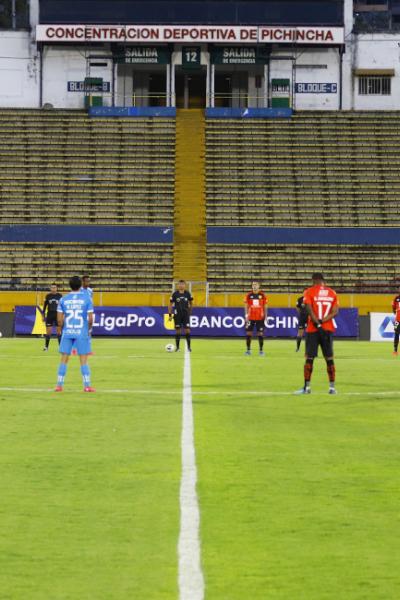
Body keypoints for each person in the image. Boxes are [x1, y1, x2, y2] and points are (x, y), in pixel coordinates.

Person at [295, 273, 339, 395]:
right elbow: (335, 312)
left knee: (309, 358)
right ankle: (332, 388)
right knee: (329, 358)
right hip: (328, 329)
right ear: (323, 280)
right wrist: (323, 321)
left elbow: (308, 309)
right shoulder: (332, 293)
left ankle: (307, 388)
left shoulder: (309, 291)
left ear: (314, 280)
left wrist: (317, 323)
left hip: (312, 329)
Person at [55, 275, 95, 392]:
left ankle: (59, 385)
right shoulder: (87, 299)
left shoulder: (63, 299)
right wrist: (88, 330)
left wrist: (61, 328)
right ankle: (87, 386)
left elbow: (59, 320)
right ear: (80, 285)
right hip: (81, 331)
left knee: (64, 359)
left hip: (68, 331)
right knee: (83, 359)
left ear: (70, 285)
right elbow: (91, 319)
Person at [72, 274, 94, 356]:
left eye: (89, 281)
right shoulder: (78, 290)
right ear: (83, 282)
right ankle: (74, 349)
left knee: (89, 331)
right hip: (80, 314)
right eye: (86, 281)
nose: (88, 282)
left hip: (89, 313)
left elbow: (91, 301)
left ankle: (88, 350)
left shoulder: (90, 291)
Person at [244, 281, 268, 356]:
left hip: (260, 317)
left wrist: (266, 316)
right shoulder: (249, 295)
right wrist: (246, 315)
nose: (254, 286)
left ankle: (261, 351)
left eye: (256, 285)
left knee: (260, 334)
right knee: (248, 333)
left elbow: (265, 306)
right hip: (250, 317)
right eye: (253, 285)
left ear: (258, 286)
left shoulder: (262, 295)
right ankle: (248, 350)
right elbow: (246, 305)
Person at [168, 280, 193, 352]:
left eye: (182, 284)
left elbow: (191, 303)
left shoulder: (187, 293)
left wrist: (190, 312)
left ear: (185, 285)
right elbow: (170, 304)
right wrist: (170, 314)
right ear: (178, 285)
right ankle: (177, 347)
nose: (181, 285)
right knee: (178, 331)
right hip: (177, 314)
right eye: (180, 284)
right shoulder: (175, 294)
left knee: (187, 330)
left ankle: (189, 347)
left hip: (185, 314)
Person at [42, 283, 63, 351]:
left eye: (54, 287)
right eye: (52, 287)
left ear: (57, 288)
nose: (53, 289)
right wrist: (43, 315)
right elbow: (45, 306)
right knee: (48, 332)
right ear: (50, 288)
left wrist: (63, 315)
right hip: (50, 315)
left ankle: (61, 347)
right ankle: (46, 347)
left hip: (58, 314)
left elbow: (63, 306)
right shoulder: (48, 296)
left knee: (59, 332)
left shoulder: (60, 296)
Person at [391, 290, 400, 356]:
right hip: (398, 320)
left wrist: (395, 312)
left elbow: (393, 307)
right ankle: (395, 350)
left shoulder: (396, 298)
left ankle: (395, 350)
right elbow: (393, 306)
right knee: (396, 334)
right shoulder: (396, 298)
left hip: (398, 319)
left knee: (396, 334)